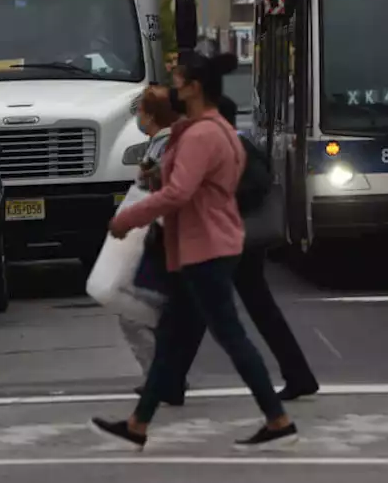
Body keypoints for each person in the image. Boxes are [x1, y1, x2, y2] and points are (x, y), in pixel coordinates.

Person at [91, 50, 298, 450]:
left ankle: (277, 419)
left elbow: (179, 193)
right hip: (207, 244)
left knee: (229, 336)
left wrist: (128, 219)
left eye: (178, 79)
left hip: (204, 248)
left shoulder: (202, 135)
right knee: (172, 339)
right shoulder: (216, 129)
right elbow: (196, 188)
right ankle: (137, 425)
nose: (173, 86)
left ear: (195, 87)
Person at [159, 95, 319, 401]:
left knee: (202, 309)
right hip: (231, 241)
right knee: (221, 309)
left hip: (233, 242)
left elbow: (256, 185)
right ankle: (298, 374)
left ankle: (172, 382)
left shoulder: (235, 147)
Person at [118, 86, 181, 381]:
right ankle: (165, 377)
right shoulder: (158, 144)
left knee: (136, 310)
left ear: (151, 115)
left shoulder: (167, 145)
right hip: (157, 238)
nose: (137, 119)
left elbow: (161, 193)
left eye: (140, 112)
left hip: (162, 240)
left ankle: (161, 377)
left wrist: (128, 219)